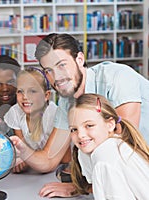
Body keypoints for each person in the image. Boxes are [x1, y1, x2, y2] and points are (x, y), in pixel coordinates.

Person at [28, 32, 149, 197]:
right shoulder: (67, 101)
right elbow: (49, 158)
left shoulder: (118, 78)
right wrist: (19, 152)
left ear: (79, 59)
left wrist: (78, 187)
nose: (56, 76)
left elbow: (122, 144)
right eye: (48, 70)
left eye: (61, 65)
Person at [68, 93, 149, 199]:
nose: (80, 135)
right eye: (74, 129)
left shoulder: (106, 157)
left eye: (89, 125)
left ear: (110, 124)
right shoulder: (98, 147)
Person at [4, 68, 58, 173]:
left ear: (46, 95)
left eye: (32, 91)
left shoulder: (54, 115)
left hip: (54, 171)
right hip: (32, 173)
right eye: (20, 91)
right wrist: (22, 161)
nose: (25, 97)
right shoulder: (15, 112)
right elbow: (21, 149)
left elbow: (64, 158)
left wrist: (28, 161)